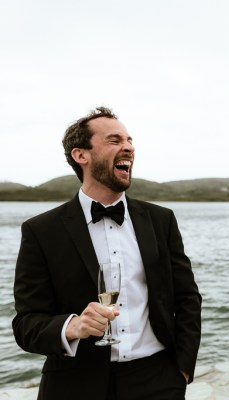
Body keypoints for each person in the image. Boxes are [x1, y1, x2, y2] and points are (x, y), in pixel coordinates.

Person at [12, 106, 202, 400]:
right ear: (81, 155)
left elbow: (187, 298)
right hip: (74, 384)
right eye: (114, 140)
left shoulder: (161, 221)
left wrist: (182, 370)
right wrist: (72, 326)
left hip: (158, 380)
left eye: (129, 140)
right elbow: (26, 324)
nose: (128, 147)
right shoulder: (41, 231)